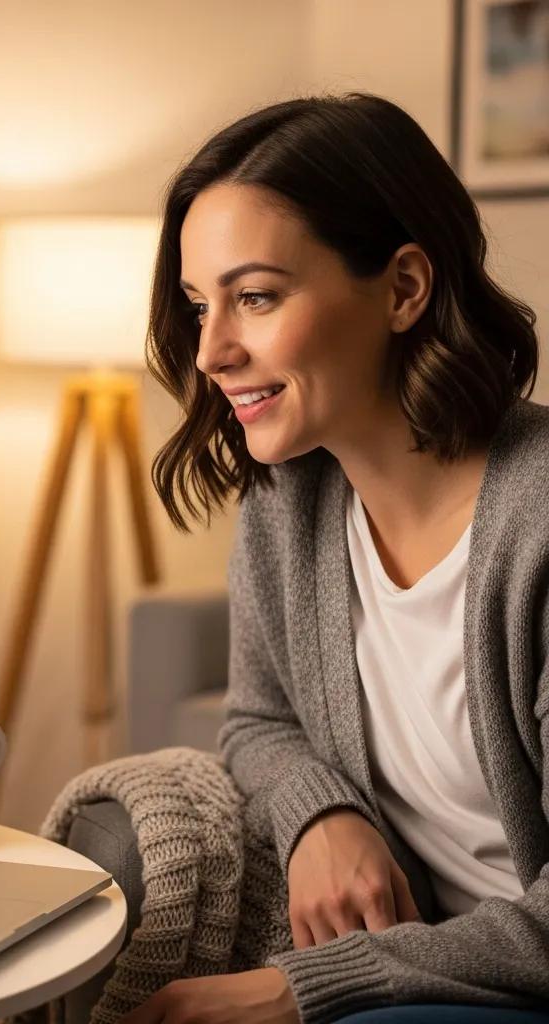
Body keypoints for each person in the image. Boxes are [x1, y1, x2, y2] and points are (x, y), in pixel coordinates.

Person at [118, 93, 549, 1023]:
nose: (212, 351)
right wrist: (322, 812)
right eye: (199, 306)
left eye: (256, 297)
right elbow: (258, 719)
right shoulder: (290, 501)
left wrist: (298, 988)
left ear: (403, 289)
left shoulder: (539, 526)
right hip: (427, 960)